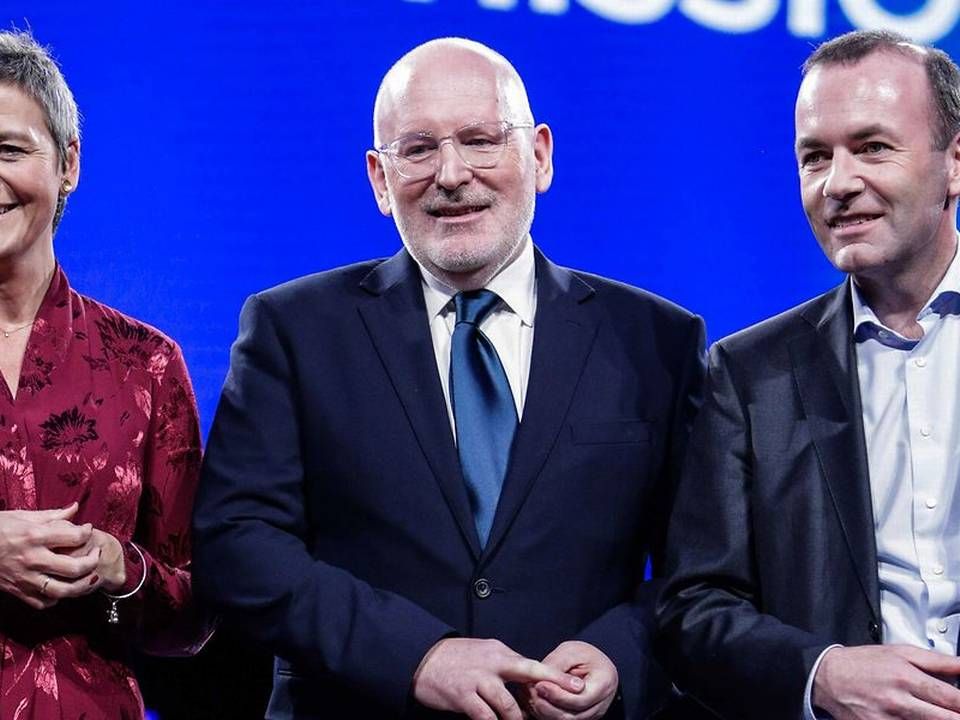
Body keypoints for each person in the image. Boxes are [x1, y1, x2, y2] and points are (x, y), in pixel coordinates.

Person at [193, 37, 705, 720]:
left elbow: (704, 569)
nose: (452, 173)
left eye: (481, 139)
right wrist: (417, 656)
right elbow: (238, 546)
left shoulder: (657, 341)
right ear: (379, 178)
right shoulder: (293, 329)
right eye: (418, 149)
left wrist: (618, 654)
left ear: (541, 156)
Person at [656, 29, 960, 720]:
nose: (839, 183)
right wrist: (819, 675)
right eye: (815, 157)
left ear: (954, 164)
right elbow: (692, 611)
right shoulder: (748, 373)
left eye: (873, 147)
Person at [0, 31, 208, 717]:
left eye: (9, 150)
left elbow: (196, 617)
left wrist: (124, 572)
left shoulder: (146, 367)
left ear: (69, 164)